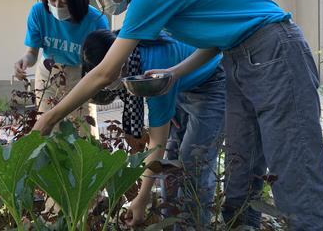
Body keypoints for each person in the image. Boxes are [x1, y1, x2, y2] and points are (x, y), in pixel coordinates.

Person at [33, 0, 323, 229]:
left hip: (274, 51)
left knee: (294, 168)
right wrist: (175, 72)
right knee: (242, 166)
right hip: (238, 57)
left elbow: (105, 72)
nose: (102, 2)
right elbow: (217, 40)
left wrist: (50, 116)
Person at [81, 29, 225, 226]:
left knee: (194, 165)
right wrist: (169, 106)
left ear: (117, 58)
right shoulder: (131, 55)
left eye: (106, 73)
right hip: (181, 86)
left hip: (212, 82)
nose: (105, 81)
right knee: (169, 166)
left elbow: (157, 143)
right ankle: (171, 225)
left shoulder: (151, 72)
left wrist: (142, 198)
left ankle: (193, 226)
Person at [14, 0, 108, 137]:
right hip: (48, 76)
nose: (57, 5)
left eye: (64, 0)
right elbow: (32, 53)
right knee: (47, 129)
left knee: (82, 133)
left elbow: (101, 67)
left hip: (80, 78)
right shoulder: (38, 12)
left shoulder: (95, 21)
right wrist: (25, 61)